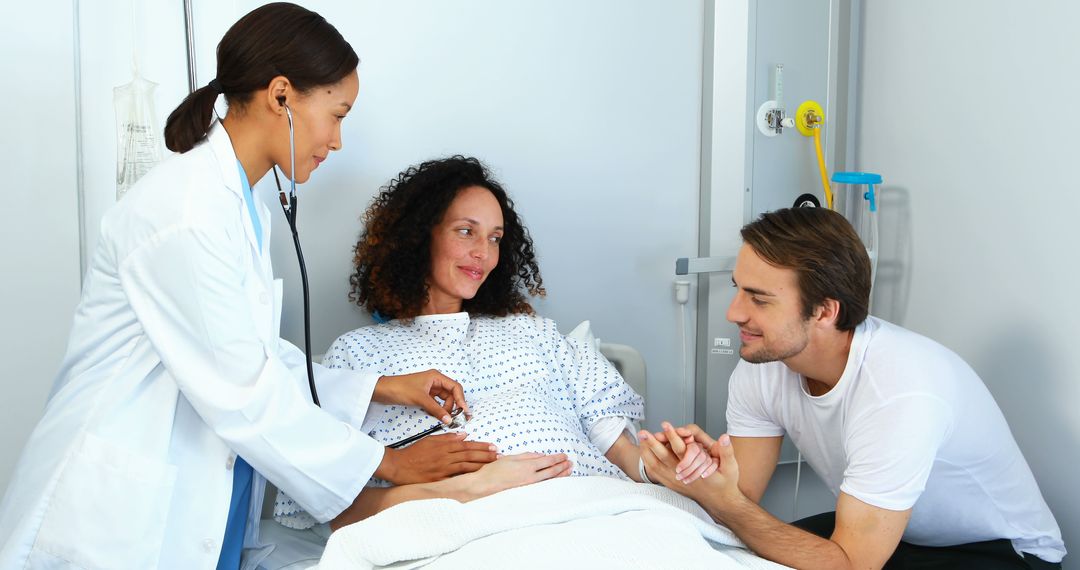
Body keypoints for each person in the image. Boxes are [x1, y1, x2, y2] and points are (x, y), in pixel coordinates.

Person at [0, 5, 562, 568]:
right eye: (337, 114)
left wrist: (383, 388)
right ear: (281, 96)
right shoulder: (187, 212)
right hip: (113, 516)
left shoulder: (238, 209)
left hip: (188, 511)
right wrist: (390, 464)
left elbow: (253, 358)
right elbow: (246, 393)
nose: (338, 140)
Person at [639, 207, 1066, 570]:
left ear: (824, 310)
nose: (734, 313)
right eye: (738, 290)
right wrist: (703, 475)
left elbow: (852, 565)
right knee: (730, 556)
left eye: (759, 298)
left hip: (999, 553)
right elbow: (742, 495)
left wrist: (728, 502)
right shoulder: (764, 362)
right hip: (894, 539)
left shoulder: (900, 389)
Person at [273, 156, 658, 529]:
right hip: (466, 527)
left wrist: (653, 467)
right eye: (465, 231)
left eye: (495, 239)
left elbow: (616, 442)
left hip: (596, 510)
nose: (483, 253)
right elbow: (334, 507)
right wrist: (459, 491)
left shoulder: (534, 331)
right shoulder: (358, 353)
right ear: (420, 236)